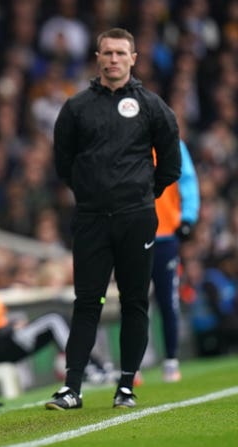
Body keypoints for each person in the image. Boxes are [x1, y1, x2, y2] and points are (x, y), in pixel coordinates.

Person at [47, 27, 181, 410]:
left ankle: (126, 387)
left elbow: (169, 165)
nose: (113, 59)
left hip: (136, 218)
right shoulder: (77, 107)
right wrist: (91, 192)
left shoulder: (152, 106)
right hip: (91, 219)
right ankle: (72, 388)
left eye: (121, 53)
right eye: (107, 53)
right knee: (87, 301)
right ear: (97, 57)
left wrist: (141, 195)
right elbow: (63, 162)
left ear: (133, 58)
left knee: (135, 301)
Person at [0, 248, 106, 377]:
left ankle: (95, 365)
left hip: (2, 343)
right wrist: (11, 327)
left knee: (60, 318)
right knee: (53, 319)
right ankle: (85, 368)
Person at [152, 140, 199, 382]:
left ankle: (171, 359)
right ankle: (133, 365)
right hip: (132, 233)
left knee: (167, 300)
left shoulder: (171, 141)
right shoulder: (124, 136)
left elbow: (187, 179)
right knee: (132, 300)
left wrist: (188, 217)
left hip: (166, 234)